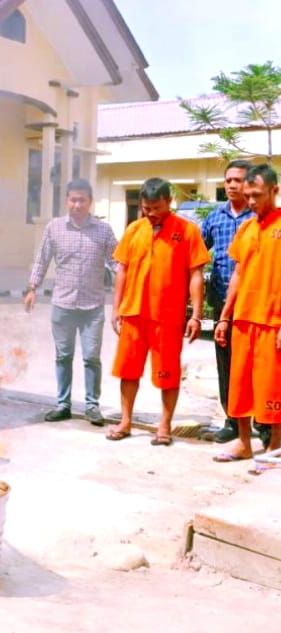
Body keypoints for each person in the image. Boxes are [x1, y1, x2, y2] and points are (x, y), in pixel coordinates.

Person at [106, 177, 210, 445]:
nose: (150, 214)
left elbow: (195, 274)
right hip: (133, 313)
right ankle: (125, 421)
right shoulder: (134, 229)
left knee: (168, 373)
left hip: (168, 317)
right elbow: (123, 269)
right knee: (128, 371)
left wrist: (196, 315)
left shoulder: (186, 231)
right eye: (145, 208)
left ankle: (164, 427)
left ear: (169, 202)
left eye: (156, 208)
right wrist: (116, 308)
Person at [24, 178, 117, 426]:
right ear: (66, 200)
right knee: (63, 356)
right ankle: (63, 404)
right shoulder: (54, 228)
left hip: (92, 306)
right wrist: (32, 288)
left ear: (90, 202)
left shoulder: (103, 231)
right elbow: (41, 259)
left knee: (91, 358)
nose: (77, 205)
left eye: (82, 200)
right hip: (62, 305)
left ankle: (92, 406)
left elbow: (116, 262)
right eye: (73, 200)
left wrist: (130, 284)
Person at [212, 163, 281, 471]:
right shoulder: (247, 227)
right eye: (249, 195)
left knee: (272, 388)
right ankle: (243, 443)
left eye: (258, 195)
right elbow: (238, 273)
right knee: (239, 386)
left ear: (275, 192)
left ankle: (275, 448)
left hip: (272, 321)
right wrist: (225, 316)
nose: (252, 202)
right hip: (243, 320)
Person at [199, 160, 267, 444]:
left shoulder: (260, 219)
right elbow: (197, 255)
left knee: (258, 365)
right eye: (228, 180)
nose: (231, 185)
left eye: (238, 180)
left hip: (256, 302)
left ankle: (264, 424)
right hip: (223, 303)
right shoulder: (215, 218)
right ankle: (232, 420)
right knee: (227, 364)